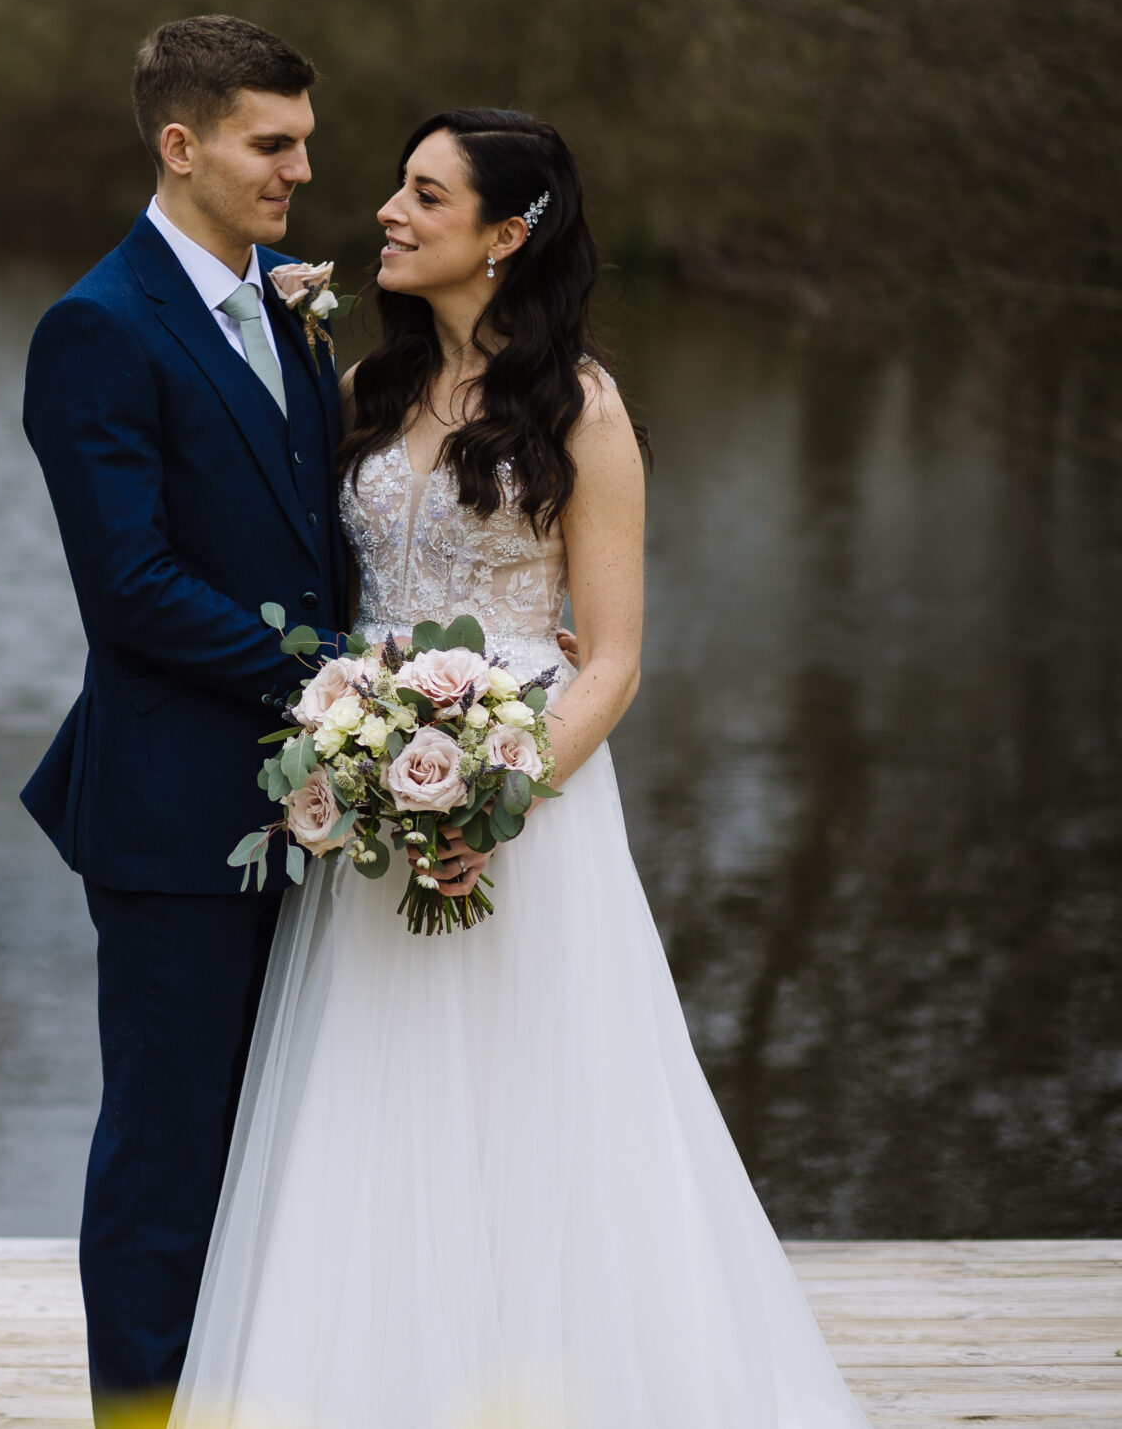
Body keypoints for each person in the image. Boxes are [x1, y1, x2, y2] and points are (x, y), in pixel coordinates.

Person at [169, 109, 869, 1428]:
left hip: (517, 805)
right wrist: (359, 747)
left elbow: (610, 658)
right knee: (365, 1106)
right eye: (397, 187)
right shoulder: (362, 391)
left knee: (543, 1105)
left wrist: (493, 800)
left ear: (505, 235)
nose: (387, 209)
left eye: (425, 196)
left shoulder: (580, 410)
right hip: (368, 800)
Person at [20, 15, 348, 1423]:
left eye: (306, 146)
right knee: (166, 1150)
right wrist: (337, 675)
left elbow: (315, 531)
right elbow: (135, 589)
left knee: (287, 1137)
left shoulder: (288, 298)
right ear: (182, 144)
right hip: (170, 814)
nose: (300, 174)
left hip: (319, 800)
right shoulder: (97, 327)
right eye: (273, 146)